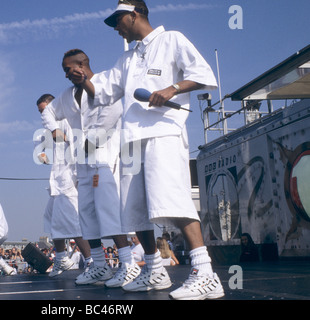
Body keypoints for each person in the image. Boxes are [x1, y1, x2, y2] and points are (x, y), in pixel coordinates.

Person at [74, 0, 224, 299]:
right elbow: (102, 90)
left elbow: (204, 74)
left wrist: (173, 89)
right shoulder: (127, 59)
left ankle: (205, 272)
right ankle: (154, 270)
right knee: (135, 211)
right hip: (132, 140)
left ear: (134, 14)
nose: (115, 27)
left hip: (163, 132)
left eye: (118, 19)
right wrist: (82, 78)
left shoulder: (172, 39)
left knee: (174, 200)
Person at [41, 49, 140, 288]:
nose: (66, 75)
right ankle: (99, 265)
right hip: (82, 165)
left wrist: (86, 142)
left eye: (68, 69)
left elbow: (112, 113)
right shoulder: (66, 95)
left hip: (104, 160)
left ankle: (128, 264)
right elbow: (48, 111)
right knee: (85, 214)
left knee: (108, 211)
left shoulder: (104, 84)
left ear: (81, 65)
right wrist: (54, 128)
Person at [35, 93, 92, 277]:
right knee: (51, 218)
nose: (42, 115)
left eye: (44, 110)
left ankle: (92, 262)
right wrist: (43, 156)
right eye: (40, 112)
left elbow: (77, 146)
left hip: (68, 180)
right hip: (57, 181)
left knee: (72, 222)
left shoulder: (67, 120)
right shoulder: (49, 130)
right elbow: (48, 151)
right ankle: (62, 259)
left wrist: (78, 179)